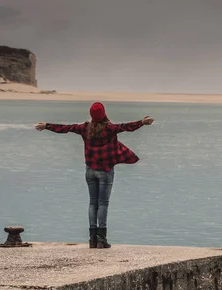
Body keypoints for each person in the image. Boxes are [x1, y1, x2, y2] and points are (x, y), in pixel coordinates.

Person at [35, 102, 154, 248]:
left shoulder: (85, 128)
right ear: (103, 114)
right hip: (105, 171)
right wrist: (142, 122)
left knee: (93, 203)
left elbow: (65, 128)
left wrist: (46, 125)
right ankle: (101, 239)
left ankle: (92, 239)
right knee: (103, 204)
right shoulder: (109, 129)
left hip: (90, 171)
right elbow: (126, 126)